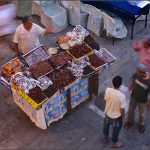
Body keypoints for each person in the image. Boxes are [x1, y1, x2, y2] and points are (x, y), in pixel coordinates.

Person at [124, 64, 150, 134]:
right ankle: (130, 122)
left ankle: (141, 124)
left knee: (142, 114)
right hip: (134, 97)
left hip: (143, 101)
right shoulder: (136, 75)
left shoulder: (149, 81)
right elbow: (133, 82)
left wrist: (148, 104)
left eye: (137, 71)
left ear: (142, 73)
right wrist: (129, 89)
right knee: (130, 110)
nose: (136, 72)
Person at [103, 75, 126, 148]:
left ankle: (105, 138)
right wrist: (123, 117)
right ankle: (114, 142)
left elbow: (105, 100)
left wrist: (107, 108)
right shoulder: (122, 96)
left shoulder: (107, 90)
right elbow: (122, 109)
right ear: (120, 85)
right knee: (116, 131)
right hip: (116, 118)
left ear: (112, 83)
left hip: (107, 114)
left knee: (105, 127)